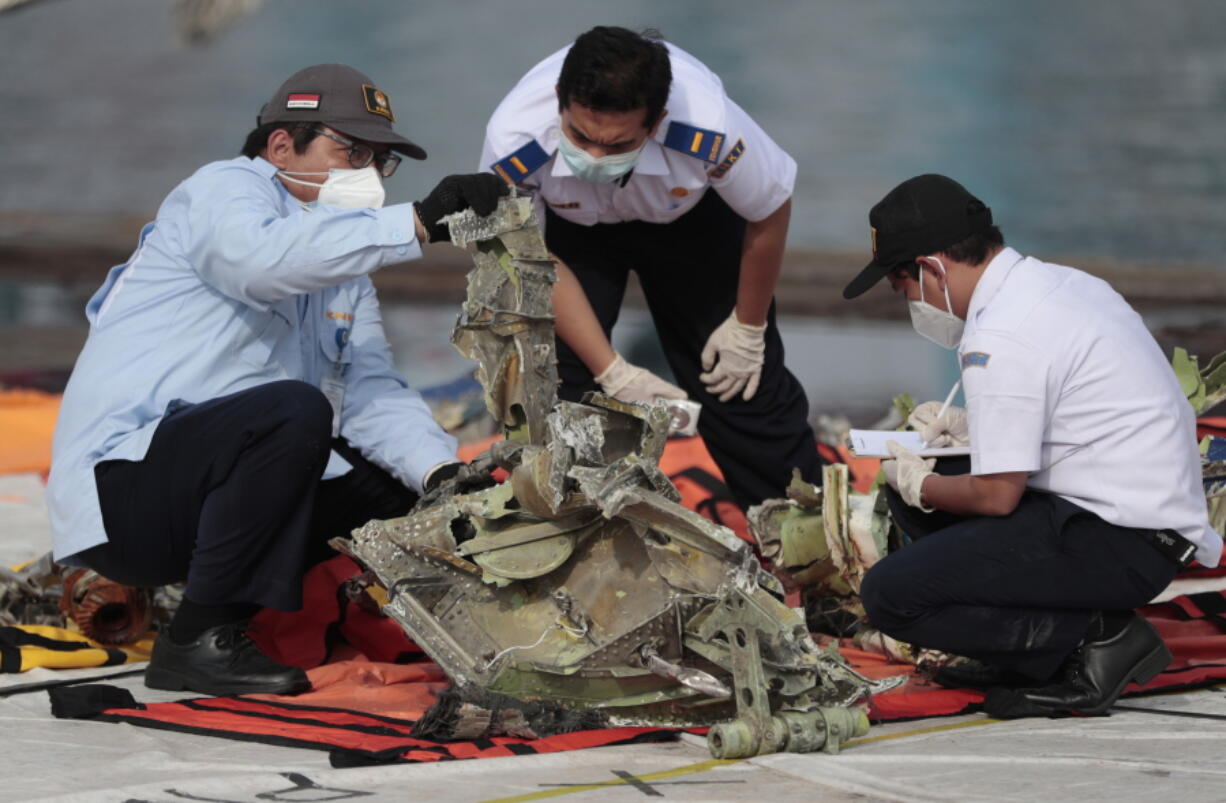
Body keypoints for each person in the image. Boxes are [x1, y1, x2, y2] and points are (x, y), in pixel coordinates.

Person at [46, 63, 507, 696]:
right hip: (124, 492)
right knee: (294, 413)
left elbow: (371, 391)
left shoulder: (344, 266)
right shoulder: (222, 192)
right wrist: (419, 223)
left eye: (379, 159)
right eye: (352, 151)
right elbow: (261, 265)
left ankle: (265, 618)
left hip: (206, 487)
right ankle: (198, 641)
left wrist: (442, 475)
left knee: (397, 495)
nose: (368, 174)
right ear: (281, 145)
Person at [843, 174, 1222, 718]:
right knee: (918, 503)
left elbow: (997, 497)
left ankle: (1096, 640)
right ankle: (1025, 652)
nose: (909, 302)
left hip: (1123, 540)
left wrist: (920, 482)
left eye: (902, 287)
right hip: (1141, 519)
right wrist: (965, 437)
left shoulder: (998, 335)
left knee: (892, 595)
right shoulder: (1060, 284)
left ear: (929, 268)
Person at [480, 26, 821, 510]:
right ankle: (571, 530)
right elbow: (530, 259)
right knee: (556, 375)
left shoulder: (710, 127)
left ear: (657, 121)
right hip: (569, 228)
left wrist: (748, 327)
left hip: (687, 218)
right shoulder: (514, 139)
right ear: (560, 100)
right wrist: (613, 370)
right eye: (580, 136)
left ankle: (799, 538)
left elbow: (768, 210)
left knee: (739, 381)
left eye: (617, 144)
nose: (595, 155)